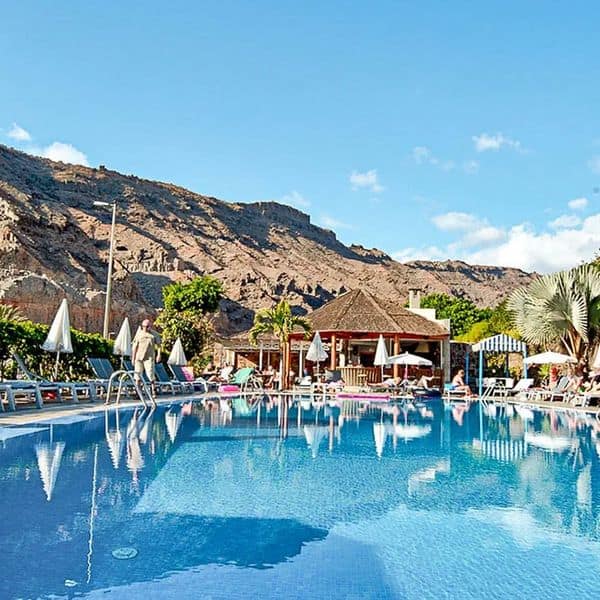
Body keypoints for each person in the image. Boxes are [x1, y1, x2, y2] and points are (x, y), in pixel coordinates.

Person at [131, 318, 161, 397]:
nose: (146, 328)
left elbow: (159, 346)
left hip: (149, 358)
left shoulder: (154, 335)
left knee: (150, 374)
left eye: (147, 326)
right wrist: (133, 358)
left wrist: (159, 355)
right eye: (144, 326)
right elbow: (135, 347)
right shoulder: (139, 334)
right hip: (139, 357)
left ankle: (153, 391)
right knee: (137, 375)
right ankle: (138, 392)